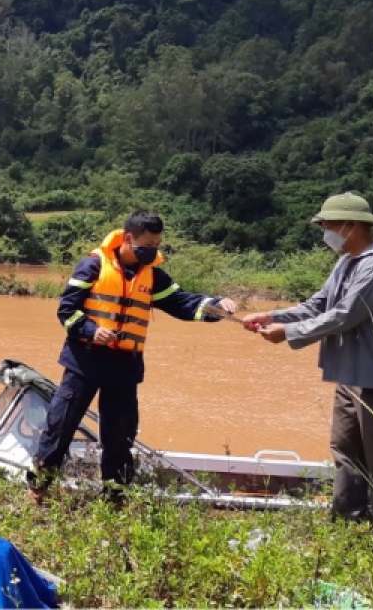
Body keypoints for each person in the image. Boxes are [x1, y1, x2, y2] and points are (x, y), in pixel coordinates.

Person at [28, 210, 238, 504]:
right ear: (128, 238)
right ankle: (39, 489)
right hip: (85, 359)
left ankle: (115, 499)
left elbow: (182, 302)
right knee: (60, 426)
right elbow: (66, 310)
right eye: (148, 243)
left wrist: (217, 306)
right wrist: (90, 330)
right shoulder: (93, 265)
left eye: (157, 244)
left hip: (125, 367)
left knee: (119, 436)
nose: (153, 250)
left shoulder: (151, 276)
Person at [244, 192, 373, 532]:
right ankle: (346, 527)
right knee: (345, 452)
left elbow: (344, 315)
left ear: (352, 226)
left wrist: (288, 332)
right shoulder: (346, 262)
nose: (326, 232)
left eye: (330, 225)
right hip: (349, 376)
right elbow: (318, 304)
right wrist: (273, 315)